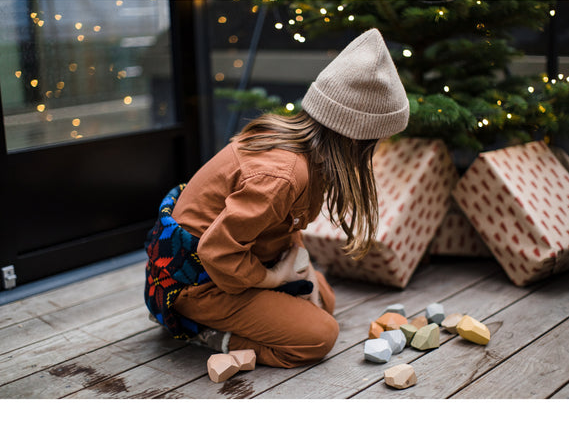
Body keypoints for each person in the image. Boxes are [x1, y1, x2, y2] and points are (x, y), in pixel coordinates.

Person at [144, 28, 410, 368]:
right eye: (378, 142)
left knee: (323, 299)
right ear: (355, 140)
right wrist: (275, 279)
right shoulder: (283, 174)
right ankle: (204, 332)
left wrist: (301, 263)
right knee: (318, 336)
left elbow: (281, 223)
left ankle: (248, 308)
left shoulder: (309, 155)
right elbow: (217, 252)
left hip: (242, 264)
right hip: (197, 281)